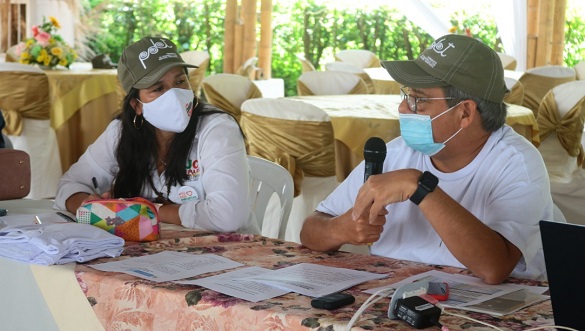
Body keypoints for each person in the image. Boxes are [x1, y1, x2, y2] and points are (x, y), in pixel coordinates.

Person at [300, 34, 555, 284]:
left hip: (490, 313)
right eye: (405, 95)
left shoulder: (517, 164)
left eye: (417, 100)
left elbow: (494, 268)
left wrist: (419, 186)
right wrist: (341, 228)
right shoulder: (398, 153)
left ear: (465, 113)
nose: (402, 108)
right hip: (393, 300)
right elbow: (311, 229)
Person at [54, 36, 257, 234]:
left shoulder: (217, 129)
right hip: (151, 255)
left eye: (180, 81)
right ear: (137, 105)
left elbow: (227, 216)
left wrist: (149, 211)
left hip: (227, 255)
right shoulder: (120, 133)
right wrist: (90, 205)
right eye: (158, 88)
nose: (175, 95)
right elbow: (69, 186)